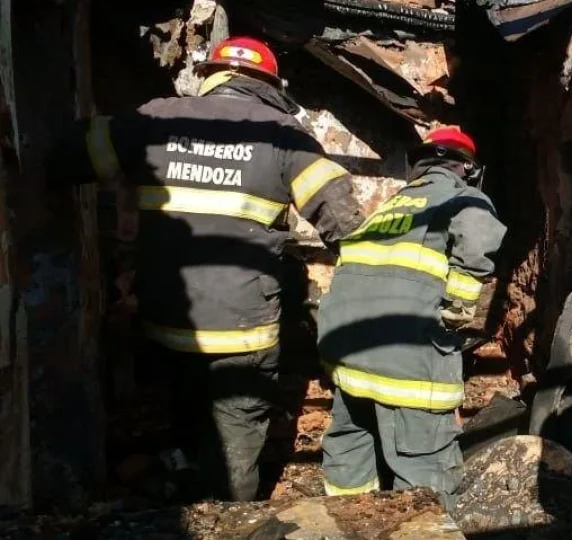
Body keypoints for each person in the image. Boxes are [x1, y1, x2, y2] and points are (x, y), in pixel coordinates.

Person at [48, 36, 366, 502]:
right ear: (270, 85)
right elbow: (345, 223)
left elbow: (66, 156)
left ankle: (185, 492)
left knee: (189, 415)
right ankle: (228, 516)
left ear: (211, 76)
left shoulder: (156, 117)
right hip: (242, 333)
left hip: (167, 321)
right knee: (234, 446)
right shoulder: (285, 136)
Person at [316, 126, 506, 504]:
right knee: (425, 470)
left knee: (350, 451)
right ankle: (421, 523)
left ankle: (343, 522)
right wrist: (457, 311)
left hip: (347, 354)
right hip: (406, 361)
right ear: (467, 168)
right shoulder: (464, 196)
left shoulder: (388, 207)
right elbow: (478, 236)